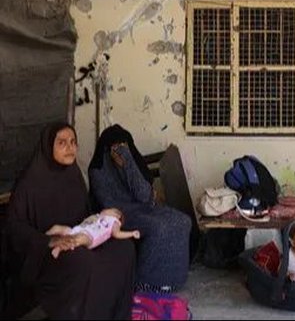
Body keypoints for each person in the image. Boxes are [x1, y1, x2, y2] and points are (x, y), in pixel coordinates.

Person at [7, 122, 135, 320]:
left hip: (79, 238)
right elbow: (14, 229)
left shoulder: (73, 174)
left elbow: (85, 214)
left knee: (123, 248)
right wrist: (48, 241)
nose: (70, 147)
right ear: (49, 146)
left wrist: (105, 219)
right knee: (83, 261)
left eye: (73, 142)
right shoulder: (29, 184)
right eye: (62, 143)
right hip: (46, 253)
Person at [88, 124, 192, 292]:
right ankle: (145, 281)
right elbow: (109, 205)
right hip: (121, 215)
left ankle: (174, 279)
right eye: (115, 147)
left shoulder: (130, 161)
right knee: (159, 227)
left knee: (182, 220)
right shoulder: (98, 170)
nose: (119, 150)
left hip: (145, 207)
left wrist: (128, 164)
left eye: (123, 146)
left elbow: (143, 195)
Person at [47, 208, 140, 259]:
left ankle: (59, 247)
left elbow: (117, 234)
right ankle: (44, 237)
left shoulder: (114, 222)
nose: (106, 209)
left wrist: (131, 233)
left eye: (110, 209)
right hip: (78, 229)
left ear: (117, 214)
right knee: (57, 228)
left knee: (78, 239)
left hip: (90, 237)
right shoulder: (99, 216)